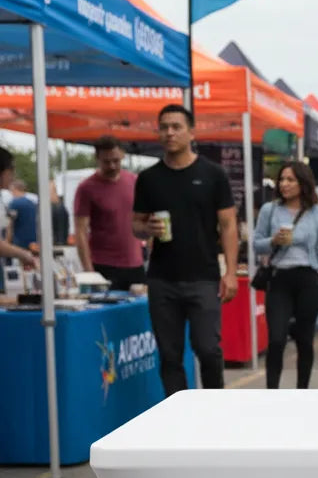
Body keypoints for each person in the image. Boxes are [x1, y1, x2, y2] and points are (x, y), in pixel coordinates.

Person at [132, 104, 239, 395]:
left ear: (192, 132)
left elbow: (229, 225)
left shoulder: (213, 174)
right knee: (169, 355)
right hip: (162, 278)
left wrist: (230, 273)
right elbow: (136, 225)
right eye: (164, 127)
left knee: (208, 349)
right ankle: (177, 419)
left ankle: (215, 409)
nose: (169, 133)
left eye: (176, 126)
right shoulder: (148, 178)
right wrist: (146, 229)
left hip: (203, 277)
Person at [254, 162, 318, 389]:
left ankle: (302, 391)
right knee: (277, 339)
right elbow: (256, 244)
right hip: (279, 279)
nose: (284, 184)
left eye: (290, 180)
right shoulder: (269, 210)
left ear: (303, 183)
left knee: (304, 339)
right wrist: (273, 241)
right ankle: (272, 391)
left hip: (309, 280)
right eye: (282, 179)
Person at [74, 136, 145, 290]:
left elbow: (145, 219)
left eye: (116, 160)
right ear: (97, 159)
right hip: (104, 266)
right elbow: (80, 230)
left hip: (136, 264)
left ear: (123, 155)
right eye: (106, 162)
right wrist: (89, 272)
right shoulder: (87, 188)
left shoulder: (135, 181)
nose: (112, 166)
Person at [0, 146, 37, 271]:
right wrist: (22, 254)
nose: (13, 174)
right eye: (11, 168)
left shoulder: (14, 203)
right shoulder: (29, 202)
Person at [6, 179, 38, 251]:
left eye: (11, 190)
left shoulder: (14, 204)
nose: (11, 193)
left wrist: (7, 243)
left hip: (20, 243)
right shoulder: (32, 203)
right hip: (34, 242)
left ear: (14, 189)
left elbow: (10, 225)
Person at [49, 182, 69, 247]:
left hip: (56, 243)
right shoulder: (57, 206)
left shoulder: (58, 207)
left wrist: (60, 242)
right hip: (56, 242)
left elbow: (61, 229)